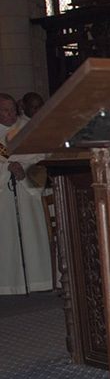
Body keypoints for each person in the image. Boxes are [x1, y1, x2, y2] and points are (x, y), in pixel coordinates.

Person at [1, 94, 53, 295]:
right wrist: (8, 170)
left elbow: (39, 156)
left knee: (34, 235)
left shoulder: (28, 128)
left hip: (28, 193)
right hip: (5, 196)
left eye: (13, 109)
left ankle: (41, 280)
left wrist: (22, 171)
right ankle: (9, 284)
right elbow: (5, 155)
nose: (11, 114)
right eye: (5, 111)